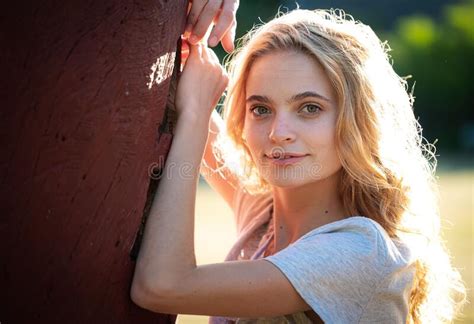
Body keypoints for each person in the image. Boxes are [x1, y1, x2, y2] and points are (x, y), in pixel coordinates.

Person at [131, 8, 466, 323]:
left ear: (356, 121)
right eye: (261, 109)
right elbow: (197, 98)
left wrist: (194, 116)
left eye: (309, 108)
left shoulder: (359, 252)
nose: (278, 134)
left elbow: (161, 285)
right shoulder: (264, 219)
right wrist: (195, 24)